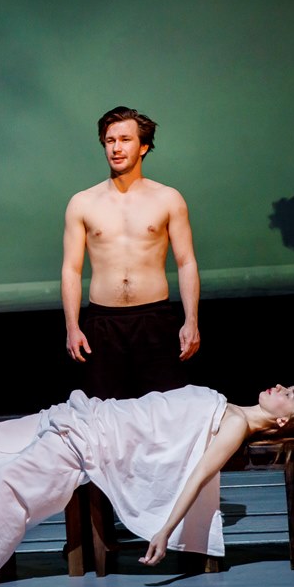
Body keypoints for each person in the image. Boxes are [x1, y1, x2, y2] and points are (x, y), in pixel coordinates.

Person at [0, 383, 294, 587]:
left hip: (95, 443)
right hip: (95, 415)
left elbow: (198, 475)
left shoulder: (233, 424)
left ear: (284, 418)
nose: (280, 386)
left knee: (12, 482)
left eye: (289, 393)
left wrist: (165, 529)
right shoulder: (227, 406)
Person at [62, 106, 201, 400]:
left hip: (154, 319)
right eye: (110, 141)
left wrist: (191, 321)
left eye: (125, 139)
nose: (116, 148)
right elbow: (71, 269)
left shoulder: (168, 198)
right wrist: (72, 327)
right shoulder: (82, 202)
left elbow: (186, 262)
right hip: (103, 323)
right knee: (103, 420)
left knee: (165, 415)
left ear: (144, 146)